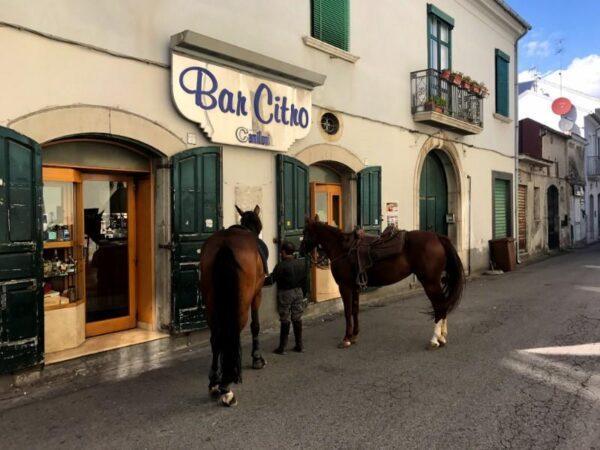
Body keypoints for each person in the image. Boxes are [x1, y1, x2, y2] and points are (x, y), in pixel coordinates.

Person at [269, 241, 308, 354]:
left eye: (282, 251)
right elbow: (305, 281)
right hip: (298, 292)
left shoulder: (281, 265)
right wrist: (303, 293)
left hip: (285, 293)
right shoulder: (301, 264)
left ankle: (282, 347)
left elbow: (273, 279)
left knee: (285, 319)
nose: (281, 254)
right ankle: (299, 345)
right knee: (297, 317)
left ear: (284, 252)